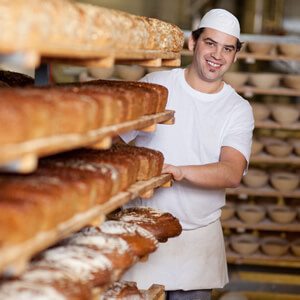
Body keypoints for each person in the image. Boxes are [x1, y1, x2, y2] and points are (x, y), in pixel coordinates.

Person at [120, 8, 254, 300]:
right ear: (193, 43)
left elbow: (231, 172)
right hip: (141, 232)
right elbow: (115, 141)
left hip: (196, 244)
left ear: (234, 55)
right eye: (210, 43)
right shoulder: (157, 85)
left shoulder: (237, 109)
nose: (217, 54)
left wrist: (179, 171)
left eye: (227, 48)